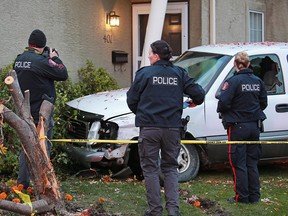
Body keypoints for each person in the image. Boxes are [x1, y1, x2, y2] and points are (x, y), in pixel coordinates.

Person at [126, 40, 205, 216]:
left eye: (149, 53)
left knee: (150, 169)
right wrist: (191, 101)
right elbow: (199, 94)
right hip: (172, 128)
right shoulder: (179, 73)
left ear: (155, 55)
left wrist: (143, 112)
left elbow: (131, 99)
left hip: (149, 128)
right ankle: (173, 211)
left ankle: (155, 211)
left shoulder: (144, 73)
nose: (147, 56)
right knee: (170, 168)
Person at [13, 29, 68, 188]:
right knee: (44, 147)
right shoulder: (42, 61)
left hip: (24, 111)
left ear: (29, 44)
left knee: (25, 148)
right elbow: (62, 73)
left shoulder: (19, 60)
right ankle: (44, 184)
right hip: (42, 113)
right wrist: (54, 57)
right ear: (43, 46)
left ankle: (23, 184)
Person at [216, 51, 267, 204]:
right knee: (251, 163)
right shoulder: (258, 81)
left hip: (238, 127)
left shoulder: (233, 82)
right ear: (249, 64)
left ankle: (242, 197)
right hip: (254, 126)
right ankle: (254, 196)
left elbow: (223, 103)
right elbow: (263, 103)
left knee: (238, 163)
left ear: (235, 65)